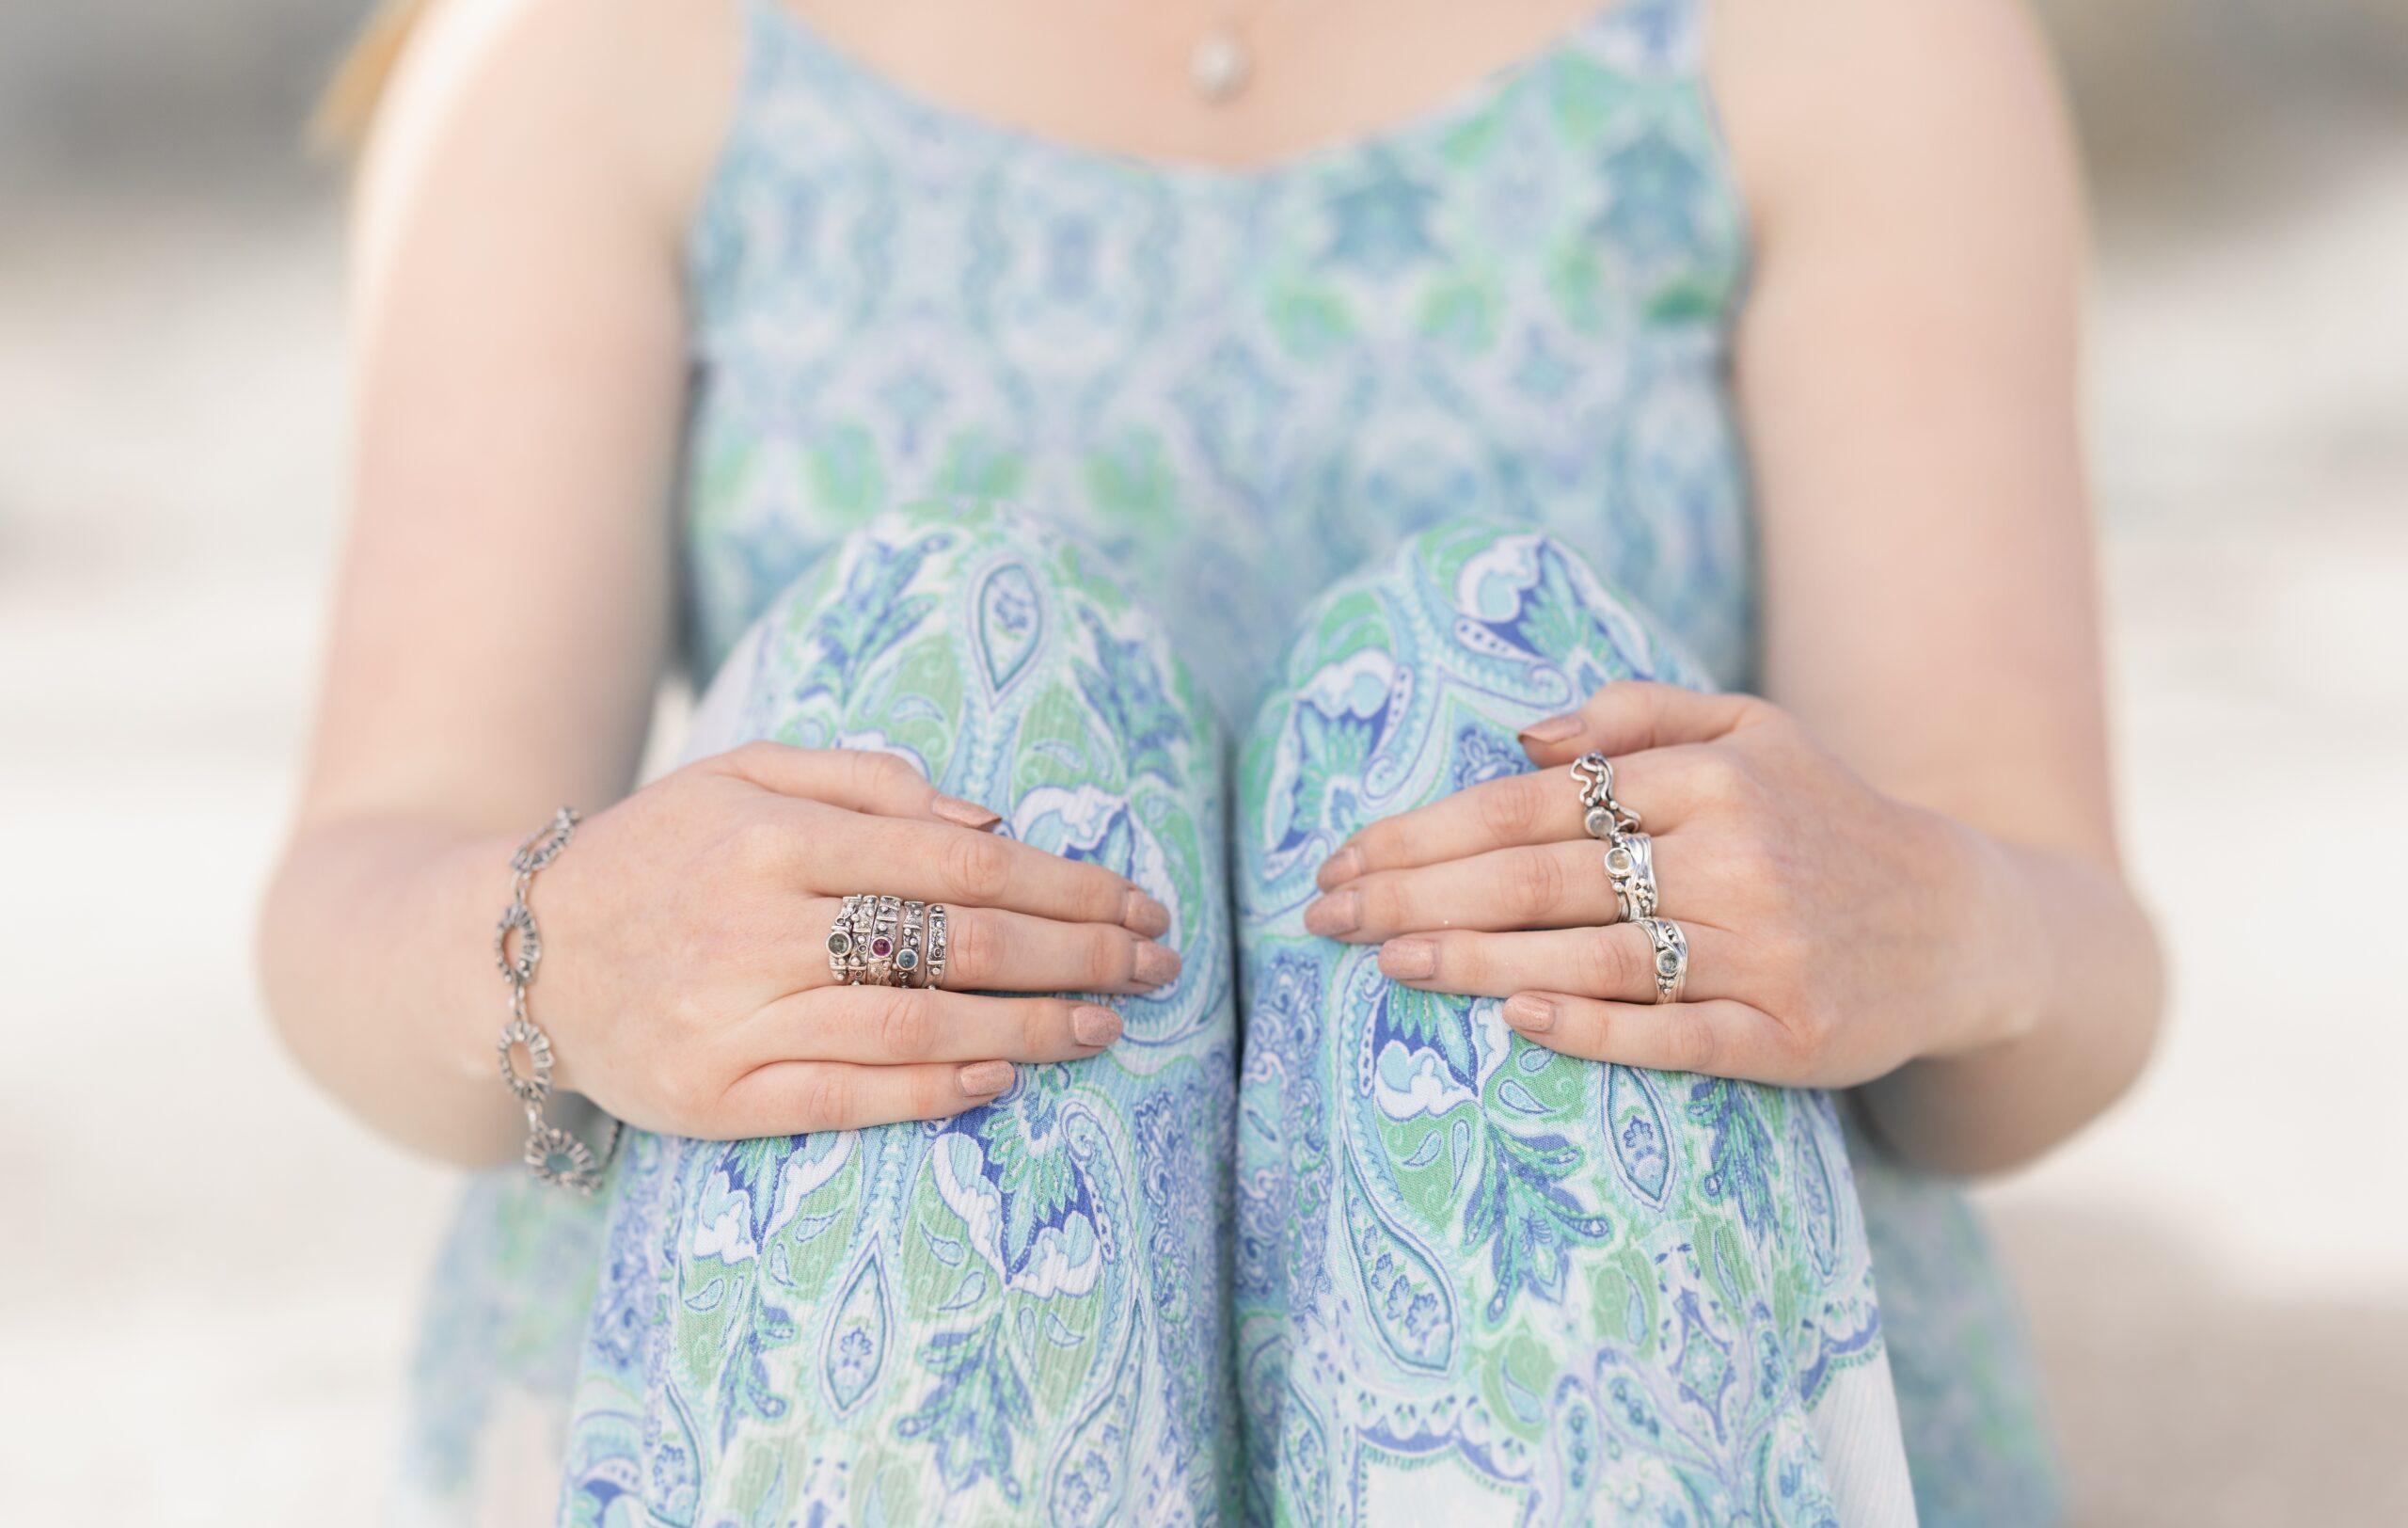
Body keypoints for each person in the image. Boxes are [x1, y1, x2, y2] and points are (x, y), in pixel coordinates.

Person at [259, 0, 2163, 1521]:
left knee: (1475, 678)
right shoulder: (589, 47)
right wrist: (562, 951)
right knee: (946, 678)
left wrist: (1930, 912)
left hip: (1617, 1314)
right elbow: (369, 869)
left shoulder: (1840, 38)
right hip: (830, 1366)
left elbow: (2053, 940)